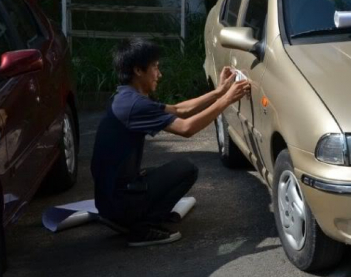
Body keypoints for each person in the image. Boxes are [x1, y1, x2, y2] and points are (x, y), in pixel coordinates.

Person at [91, 38, 250, 247]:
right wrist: (226, 100)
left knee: (164, 172)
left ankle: (136, 216)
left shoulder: (125, 97)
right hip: (117, 203)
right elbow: (186, 128)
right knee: (186, 169)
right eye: (155, 68)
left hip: (110, 199)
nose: (159, 74)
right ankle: (142, 228)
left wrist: (219, 92)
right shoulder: (135, 105)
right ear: (138, 70)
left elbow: (178, 109)